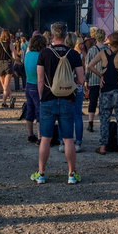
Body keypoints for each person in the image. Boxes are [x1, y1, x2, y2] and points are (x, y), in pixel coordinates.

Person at [33, 22, 85, 185]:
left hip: (48, 99)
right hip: (67, 98)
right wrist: (70, 82)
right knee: (69, 138)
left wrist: (42, 98)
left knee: (45, 139)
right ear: (66, 34)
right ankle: (71, 174)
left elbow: (40, 80)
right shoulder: (74, 54)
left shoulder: (44, 53)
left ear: (52, 35)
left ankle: (41, 173)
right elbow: (81, 80)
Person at [86, 32, 118, 154]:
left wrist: (101, 75)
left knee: (104, 119)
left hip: (105, 90)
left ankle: (102, 147)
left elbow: (89, 65)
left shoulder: (102, 53)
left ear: (109, 42)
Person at [23, 34, 46, 144]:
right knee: (39, 111)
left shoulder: (27, 54)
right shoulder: (40, 55)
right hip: (37, 85)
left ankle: (31, 134)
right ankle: (40, 137)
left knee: (30, 110)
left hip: (28, 84)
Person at [84, 28, 106, 133]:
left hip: (93, 79)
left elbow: (88, 65)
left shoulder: (91, 50)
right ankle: (103, 123)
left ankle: (90, 123)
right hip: (105, 79)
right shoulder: (108, 49)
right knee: (104, 102)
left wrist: (86, 79)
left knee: (92, 102)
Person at [0, 29, 15, 108]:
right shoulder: (10, 43)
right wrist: (13, 62)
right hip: (8, 63)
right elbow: (14, 56)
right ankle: (5, 101)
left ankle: (8, 99)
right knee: (6, 85)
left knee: (4, 85)